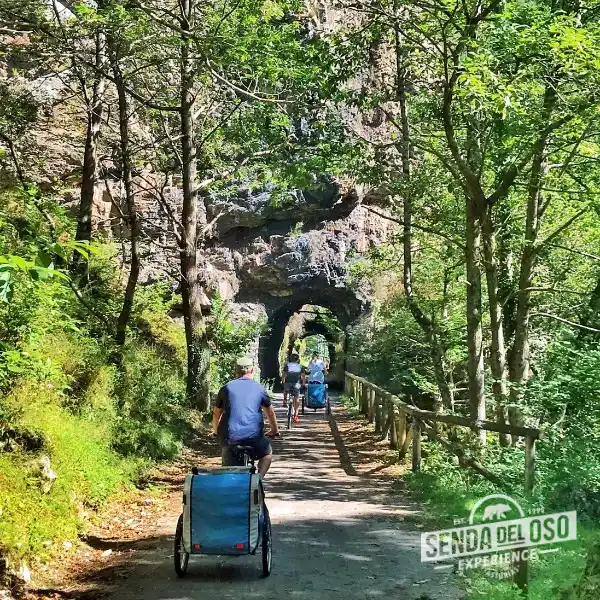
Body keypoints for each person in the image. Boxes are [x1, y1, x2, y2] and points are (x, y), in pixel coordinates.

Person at [212, 357, 279, 478]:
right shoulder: (259, 388)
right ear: (252, 371)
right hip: (253, 437)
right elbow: (270, 412)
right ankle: (259, 478)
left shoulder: (226, 387)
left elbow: (216, 413)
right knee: (267, 453)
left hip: (230, 437)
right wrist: (274, 430)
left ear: (236, 372)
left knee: (228, 461)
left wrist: (216, 431)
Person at [282, 352, 303, 423]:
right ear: (298, 360)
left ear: (290, 359)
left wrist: (283, 382)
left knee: (285, 389)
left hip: (288, 383)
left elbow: (284, 375)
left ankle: (284, 400)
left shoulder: (287, 365)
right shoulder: (300, 366)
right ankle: (296, 415)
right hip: (297, 384)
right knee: (297, 397)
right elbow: (303, 377)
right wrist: (303, 383)